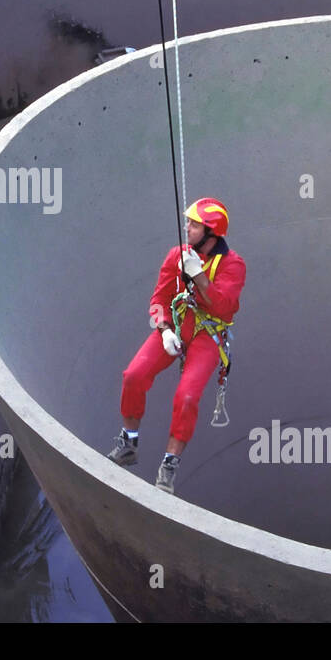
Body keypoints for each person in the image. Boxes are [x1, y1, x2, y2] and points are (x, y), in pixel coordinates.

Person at [106, 197, 246, 494]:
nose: (187, 228)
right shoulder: (177, 255)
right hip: (177, 324)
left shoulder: (233, 265)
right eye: (189, 223)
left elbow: (224, 307)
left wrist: (198, 276)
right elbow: (159, 299)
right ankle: (128, 441)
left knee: (187, 397)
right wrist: (165, 328)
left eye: (194, 224)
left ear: (211, 232)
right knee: (134, 375)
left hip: (209, 334)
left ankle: (169, 465)